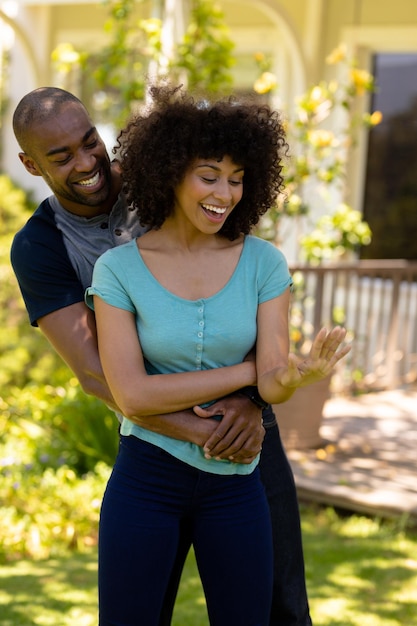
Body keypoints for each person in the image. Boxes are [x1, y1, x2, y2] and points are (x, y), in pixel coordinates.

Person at [8, 85, 326, 625]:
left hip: (248, 430)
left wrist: (251, 402)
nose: (88, 163)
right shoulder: (41, 246)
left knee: (280, 608)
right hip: (159, 438)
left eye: (91, 143)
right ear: (30, 165)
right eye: (62, 157)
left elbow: (239, 287)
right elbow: (96, 372)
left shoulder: (170, 180)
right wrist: (203, 432)